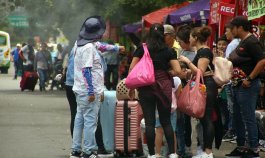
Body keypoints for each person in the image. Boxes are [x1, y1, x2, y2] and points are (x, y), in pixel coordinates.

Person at [69, 15, 125, 158]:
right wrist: (91, 91)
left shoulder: (80, 44)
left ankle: (75, 150)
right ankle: (88, 151)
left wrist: (116, 48)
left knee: (79, 119)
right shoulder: (88, 48)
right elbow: (86, 70)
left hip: (79, 90)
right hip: (88, 91)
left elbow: (102, 46)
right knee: (90, 122)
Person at [129, 23, 182, 158]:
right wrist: (167, 72)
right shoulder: (169, 50)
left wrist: (131, 88)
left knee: (150, 122)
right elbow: (178, 71)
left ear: (150, 34)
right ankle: (172, 153)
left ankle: (152, 154)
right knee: (166, 122)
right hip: (164, 86)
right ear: (163, 35)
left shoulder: (142, 48)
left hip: (146, 87)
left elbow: (132, 69)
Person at [225, 16, 265, 158]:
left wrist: (250, 78)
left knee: (248, 117)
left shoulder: (252, 41)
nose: (230, 30)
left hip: (247, 86)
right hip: (237, 85)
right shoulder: (242, 41)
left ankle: (254, 149)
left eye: (232, 27)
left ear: (240, 27)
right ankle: (241, 147)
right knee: (237, 117)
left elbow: (262, 61)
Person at [179, 26, 218, 158]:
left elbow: (199, 71)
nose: (189, 39)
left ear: (196, 38)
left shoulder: (204, 51)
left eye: (190, 36)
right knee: (204, 118)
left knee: (206, 118)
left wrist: (187, 61)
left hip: (207, 86)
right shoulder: (201, 51)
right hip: (205, 85)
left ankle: (208, 152)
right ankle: (205, 150)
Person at [176, 24, 196, 157]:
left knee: (187, 117)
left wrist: (187, 71)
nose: (179, 43)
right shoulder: (181, 52)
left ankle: (187, 144)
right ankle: (182, 144)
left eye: (180, 41)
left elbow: (196, 71)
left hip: (191, 88)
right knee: (181, 118)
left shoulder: (195, 53)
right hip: (180, 87)